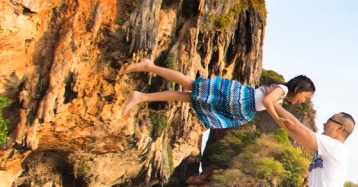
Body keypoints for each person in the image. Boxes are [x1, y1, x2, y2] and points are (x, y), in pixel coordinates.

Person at [121, 58, 315, 129]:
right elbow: (267, 101)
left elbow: (269, 102)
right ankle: (149, 66)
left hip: (236, 104)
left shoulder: (281, 95)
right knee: (189, 84)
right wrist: (278, 120)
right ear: (298, 89)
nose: (302, 101)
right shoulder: (283, 90)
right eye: (305, 97)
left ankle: (142, 97)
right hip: (235, 97)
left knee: (187, 97)